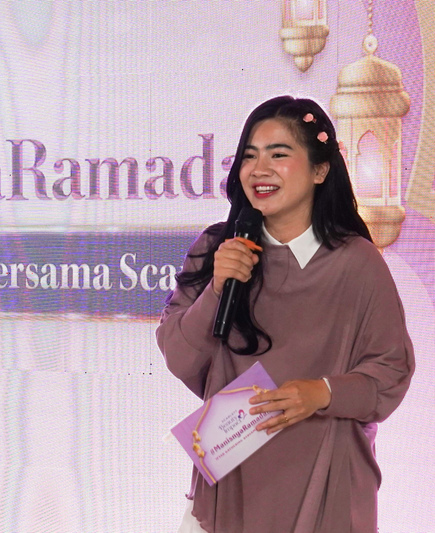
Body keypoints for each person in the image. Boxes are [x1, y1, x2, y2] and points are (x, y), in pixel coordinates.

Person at [156, 95, 414, 532]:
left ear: (320, 170)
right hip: (231, 486)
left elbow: (391, 371)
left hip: (326, 482)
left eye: (278, 155)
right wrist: (217, 289)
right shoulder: (219, 248)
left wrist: (323, 393)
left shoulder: (357, 262)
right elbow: (180, 358)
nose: (260, 169)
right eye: (249, 156)